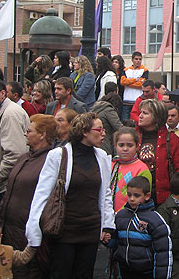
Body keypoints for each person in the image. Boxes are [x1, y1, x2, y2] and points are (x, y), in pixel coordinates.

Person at [26, 112, 115, 278]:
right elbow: (42, 194)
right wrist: (33, 231)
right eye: (99, 129)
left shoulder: (102, 157)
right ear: (84, 132)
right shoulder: (58, 155)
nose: (104, 133)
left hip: (90, 230)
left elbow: (105, 193)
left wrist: (107, 224)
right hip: (64, 231)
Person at [0, 114, 57, 278]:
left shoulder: (49, 161)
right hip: (9, 229)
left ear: (42, 134)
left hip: (27, 232)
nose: (25, 133)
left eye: (29, 130)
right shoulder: (24, 158)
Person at [0, 78, 30, 212]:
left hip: (5, 188)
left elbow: (15, 154)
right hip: (3, 186)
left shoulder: (10, 114)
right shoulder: (1, 112)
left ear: (2, 94)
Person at [111, 175, 172, 279]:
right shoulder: (121, 216)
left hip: (145, 272)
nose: (132, 199)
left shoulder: (155, 220)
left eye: (136, 195)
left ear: (147, 196)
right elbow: (117, 242)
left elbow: (163, 253)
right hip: (125, 270)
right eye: (129, 195)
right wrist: (108, 240)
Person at [137, 99, 179, 204]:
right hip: (137, 198)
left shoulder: (172, 140)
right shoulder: (134, 137)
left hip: (163, 200)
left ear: (156, 117)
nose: (140, 116)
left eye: (145, 113)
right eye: (140, 112)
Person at [111, 127, 152, 212]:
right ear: (115, 146)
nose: (125, 149)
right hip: (108, 217)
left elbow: (143, 198)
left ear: (137, 146)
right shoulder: (111, 165)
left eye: (130, 145)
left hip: (129, 216)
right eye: (121, 145)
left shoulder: (141, 169)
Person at [120, 51, 149, 122]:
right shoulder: (126, 70)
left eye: (140, 59)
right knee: (125, 121)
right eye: (136, 59)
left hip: (138, 100)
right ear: (132, 60)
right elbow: (122, 82)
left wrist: (128, 82)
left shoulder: (145, 70)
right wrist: (135, 79)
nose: (138, 61)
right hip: (126, 99)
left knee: (137, 121)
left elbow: (141, 84)